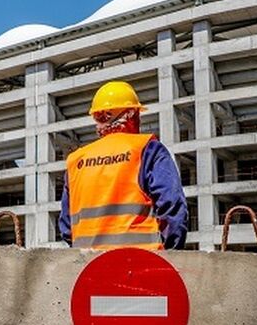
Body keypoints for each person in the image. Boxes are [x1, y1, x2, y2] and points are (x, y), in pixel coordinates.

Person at [59, 81, 188, 250]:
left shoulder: (76, 160)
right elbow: (172, 207)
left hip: (89, 269)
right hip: (142, 265)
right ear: (131, 115)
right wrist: (171, 254)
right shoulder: (147, 149)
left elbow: (67, 228)